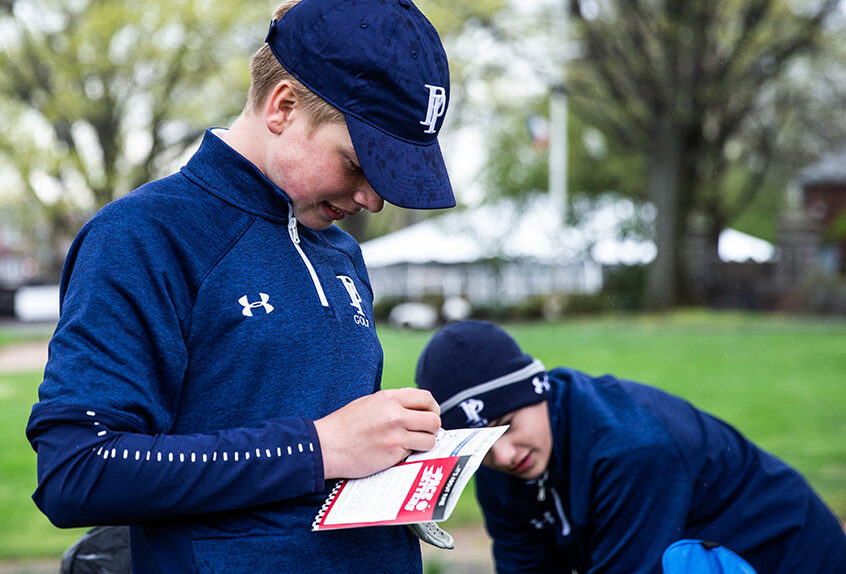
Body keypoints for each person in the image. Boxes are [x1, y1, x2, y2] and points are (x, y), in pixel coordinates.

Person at [26, 0, 454, 571]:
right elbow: (78, 471)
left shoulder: (341, 251)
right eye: (358, 164)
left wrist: (390, 455)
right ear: (283, 107)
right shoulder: (142, 236)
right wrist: (319, 447)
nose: (373, 199)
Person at [415, 320, 846, 573]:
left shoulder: (631, 448)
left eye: (508, 426)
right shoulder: (499, 464)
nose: (505, 455)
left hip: (785, 558)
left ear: (538, 389)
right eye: (484, 445)